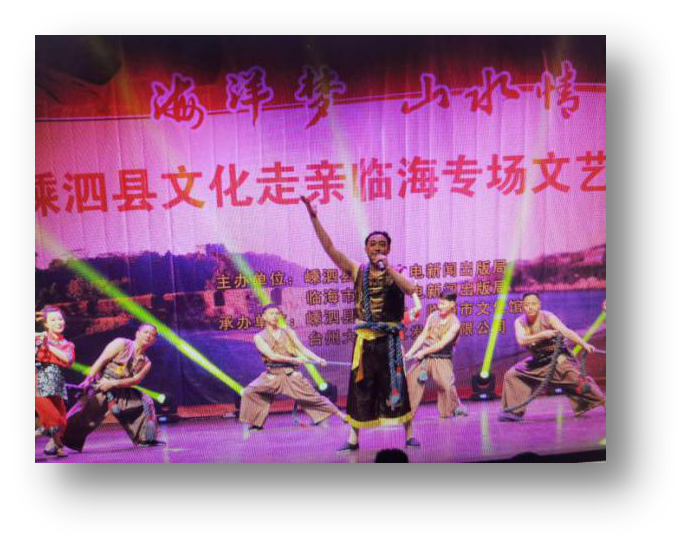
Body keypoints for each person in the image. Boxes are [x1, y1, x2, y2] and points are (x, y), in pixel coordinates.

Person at [301, 196, 420, 451]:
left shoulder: (398, 271)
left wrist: (387, 268)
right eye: (373, 244)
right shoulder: (357, 270)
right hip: (364, 342)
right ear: (366, 248)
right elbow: (330, 248)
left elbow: (410, 289)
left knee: (396, 386)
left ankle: (409, 433)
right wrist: (314, 217)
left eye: (382, 244)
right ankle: (353, 439)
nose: (377, 248)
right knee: (359, 389)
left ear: (388, 249)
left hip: (389, 342)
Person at [498, 293, 606, 421]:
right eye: (527, 305)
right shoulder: (520, 322)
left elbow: (566, 331)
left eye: (533, 304)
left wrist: (584, 344)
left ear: (539, 305)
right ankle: (513, 411)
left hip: (558, 358)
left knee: (579, 381)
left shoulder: (548, 317)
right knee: (512, 375)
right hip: (539, 360)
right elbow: (521, 340)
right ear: (522, 306)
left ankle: (604, 402)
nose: (530, 307)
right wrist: (543, 335)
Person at [53, 323, 159, 452]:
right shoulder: (121, 343)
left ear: (154, 341)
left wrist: (114, 383)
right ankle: (55, 440)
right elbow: (101, 360)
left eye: (152, 335)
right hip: (102, 385)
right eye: (146, 332)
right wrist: (88, 380)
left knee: (145, 402)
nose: (148, 336)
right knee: (84, 414)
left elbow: (135, 380)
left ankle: (146, 438)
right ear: (137, 334)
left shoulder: (146, 362)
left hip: (122, 390)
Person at [239, 304, 346, 431]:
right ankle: (256, 423)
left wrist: (318, 359)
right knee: (250, 391)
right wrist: (294, 359)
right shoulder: (259, 337)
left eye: (277, 313)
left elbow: (302, 349)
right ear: (264, 317)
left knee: (314, 397)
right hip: (272, 376)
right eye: (271, 313)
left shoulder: (288, 332)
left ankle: (342, 416)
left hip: (290, 375)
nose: (275, 316)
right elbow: (272, 356)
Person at [405, 291, 469, 418]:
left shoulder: (455, 323)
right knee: (411, 380)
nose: (440, 306)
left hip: (441, 358)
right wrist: (410, 352)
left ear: (452, 304)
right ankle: (406, 413)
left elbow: (441, 345)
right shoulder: (433, 316)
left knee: (446, 386)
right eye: (439, 303)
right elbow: (423, 335)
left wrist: (423, 352)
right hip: (425, 357)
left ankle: (454, 407)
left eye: (443, 304)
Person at [35, 306, 75, 457]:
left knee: (62, 422)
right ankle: (58, 447)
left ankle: (51, 443)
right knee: (53, 418)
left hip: (56, 385)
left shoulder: (67, 344)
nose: (58, 322)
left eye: (60, 319)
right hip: (37, 382)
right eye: (53, 320)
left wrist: (48, 345)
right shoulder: (37, 338)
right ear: (46, 323)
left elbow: (68, 359)